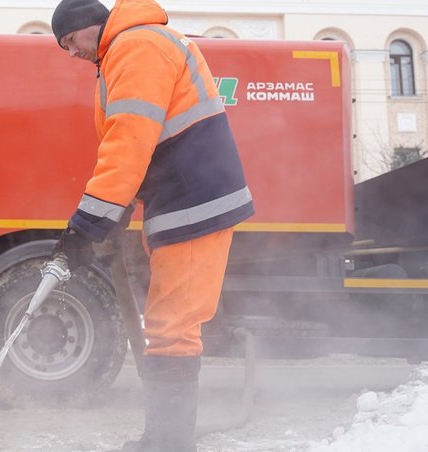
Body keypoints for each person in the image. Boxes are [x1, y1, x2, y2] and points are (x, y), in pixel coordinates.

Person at [49, 0, 255, 450]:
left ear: (90, 26)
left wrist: (86, 225)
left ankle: (168, 442)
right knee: (168, 325)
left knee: (172, 328)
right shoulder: (133, 46)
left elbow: (129, 142)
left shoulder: (136, 45)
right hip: (187, 199)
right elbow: (138, 143)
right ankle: (165, 438)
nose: (71, 53)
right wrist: (112, 215)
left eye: (70, 41)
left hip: (193, 200)